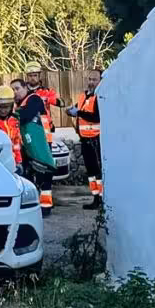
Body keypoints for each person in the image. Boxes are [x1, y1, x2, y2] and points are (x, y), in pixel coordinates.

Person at [12, 77, 55, 215]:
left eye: (17, 88)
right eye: (12, 90)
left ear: (25, 88)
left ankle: (46, 207)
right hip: (31, 145)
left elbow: (25, 117)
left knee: (44, 175)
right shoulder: (21, 104)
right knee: (31, 176)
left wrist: (13, 114)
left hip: (42, 144)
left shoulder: (34, 99)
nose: (15, 92)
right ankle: (36, 206)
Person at [68, 67, 103, 208]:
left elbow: (96, 117)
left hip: (95, 139)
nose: (91, 82)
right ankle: (95, 197)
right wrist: (71, 112)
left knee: (97, 171)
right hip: (84, 139)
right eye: (89, 79)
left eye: (94, 79)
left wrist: (79, 113)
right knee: (90, 171)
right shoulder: (83, 95)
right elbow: (79, 110)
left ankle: (101, 198)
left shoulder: (100, 97)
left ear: (101, 81)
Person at [0, 85, 22, 171]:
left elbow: (16, 143)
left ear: (11, 106)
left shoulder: (15, 120)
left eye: (6, 107)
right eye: (0, 107)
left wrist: (19, 161)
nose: (3, 110)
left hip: (12, 163)